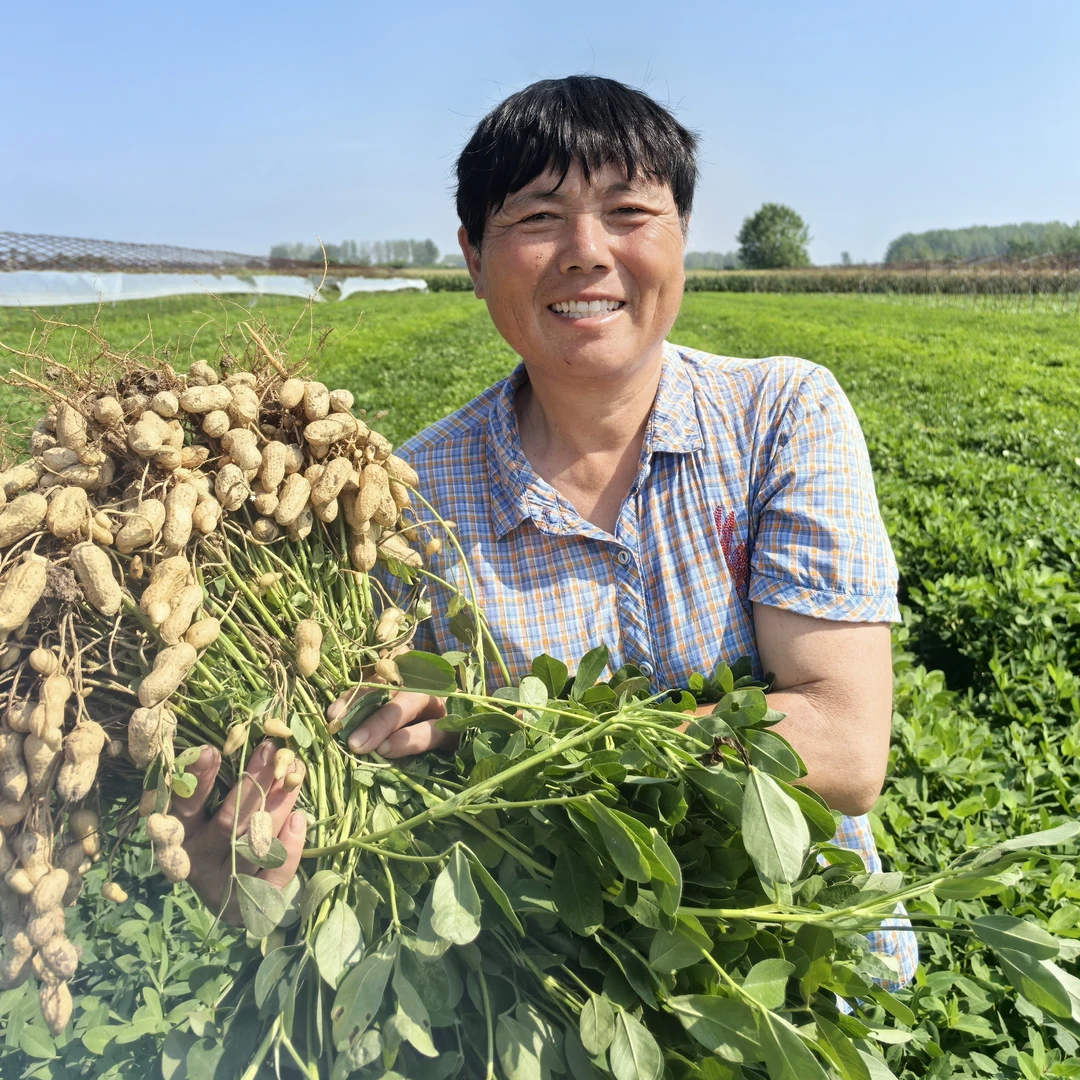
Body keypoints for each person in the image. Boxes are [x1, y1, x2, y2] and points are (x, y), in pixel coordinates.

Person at [174, 74, 917, 988]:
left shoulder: (783, 414)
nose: (586, 252)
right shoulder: (401, 499)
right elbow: (382, 783)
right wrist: (268, 861)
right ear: (474, 257)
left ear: (683, 237)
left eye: (629, 211)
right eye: (536, 217)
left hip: (805, 970)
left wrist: (507, 729)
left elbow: (842, 748)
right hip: (553, 989)